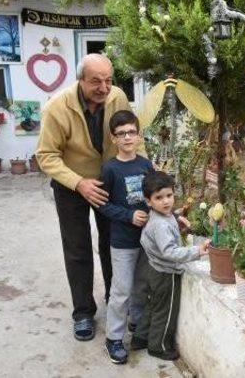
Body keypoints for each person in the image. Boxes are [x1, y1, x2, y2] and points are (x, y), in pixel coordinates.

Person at [36, 54, 140, 341]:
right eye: (96, 81)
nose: (104, 87)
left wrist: (145, 175)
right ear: (80, 79)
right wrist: (78, 182)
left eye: (108, 80)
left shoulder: (117, 97)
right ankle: (83, 312)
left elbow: (130, 136)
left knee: (113, 243)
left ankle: (115, 301)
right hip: (71, 185)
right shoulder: (57, 107)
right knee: (77, 248)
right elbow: (46, 156)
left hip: (109, 183)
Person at [130, 171, 210, 361]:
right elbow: (170, 252)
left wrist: (176, 228)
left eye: (169, 196)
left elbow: (157, 240)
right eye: (159, 198)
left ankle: (140, 337)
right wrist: (196, 251)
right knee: (165, 311)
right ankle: (159, 346)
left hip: (154, 269)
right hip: (166, 274)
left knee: (153, 306)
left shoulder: (160, 217)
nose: (166, 201)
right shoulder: (161, 224)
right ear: (148, 201)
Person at [97, 110, 153, 364]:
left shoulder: (145, 164)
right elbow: (102, 205)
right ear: (113, 138)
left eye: (132, 132)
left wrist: (172, 215)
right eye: (122, 134)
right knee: (121, 291)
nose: (128, 137)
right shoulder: (110, 169)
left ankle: (137, 326)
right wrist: (128, 216)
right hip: (122, 242)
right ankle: (114, 338)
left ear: (138, 135)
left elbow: (154, 195)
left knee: (141, 286)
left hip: (146, 240)